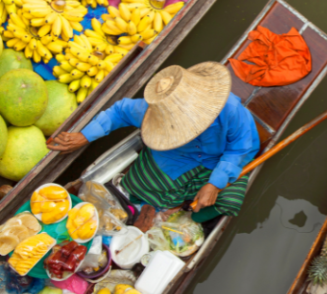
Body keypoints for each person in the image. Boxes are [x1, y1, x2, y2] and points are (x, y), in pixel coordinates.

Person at [49, 62, 260, 223]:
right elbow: (119, 111)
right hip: (177, 155)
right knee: (141, 185)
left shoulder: (230, 110)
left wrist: (214, 183)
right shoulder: (153, 112)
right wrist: (85, 136)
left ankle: (183, 208)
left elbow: (240, 147)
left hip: (222, 157)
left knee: (229, 200)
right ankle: (172, 204)